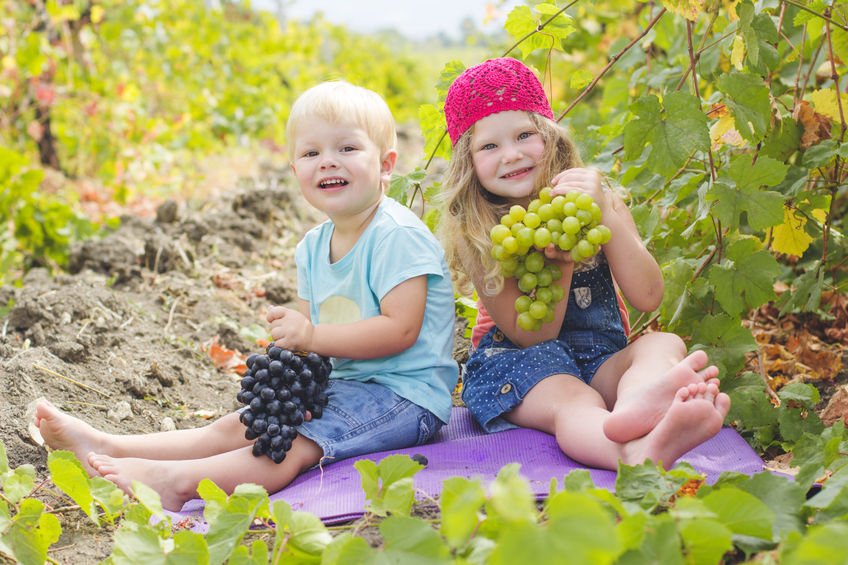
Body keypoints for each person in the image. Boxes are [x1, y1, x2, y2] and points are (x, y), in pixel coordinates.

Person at [33, 81, 459, 511]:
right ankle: (109, 444)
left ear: (386, 165)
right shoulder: (313, 245)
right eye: (311, 154)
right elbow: (314, 347)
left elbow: (400, 330)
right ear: (295, 171)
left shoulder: (397, 236)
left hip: (405, 398)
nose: (328, 161)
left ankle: (175, 482)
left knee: (289, 445)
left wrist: (309, 337)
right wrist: (296, 381)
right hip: (345, 384)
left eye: (347, 149)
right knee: (240, 425)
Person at [438, 57, 730, 470]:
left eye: (525, 134)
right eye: (489, 145)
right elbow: (535, 335)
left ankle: (635, 406)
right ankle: (630, 453)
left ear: (551, 139)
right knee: (575, 401)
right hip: (521, 368)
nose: (512, 154)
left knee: (664, 344)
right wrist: (561, 260)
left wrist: (607, 215)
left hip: (598, 360)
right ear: (467, 162)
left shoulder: (596, 201)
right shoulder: (478, 233)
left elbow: (649, 297)